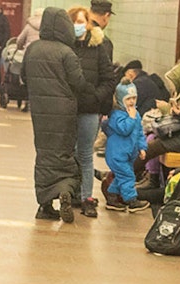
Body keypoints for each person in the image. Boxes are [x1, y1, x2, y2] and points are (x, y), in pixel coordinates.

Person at [22, 7, 90, 222]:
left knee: (44, 153)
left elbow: (22, 76)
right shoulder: (66, 53)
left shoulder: (33, 49)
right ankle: (65, 190)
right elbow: (78, 82)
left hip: (40, 111)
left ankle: (44, 205)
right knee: (64, 153)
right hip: (64, 112)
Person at [66, 6, 115, 218]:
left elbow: (109, 79)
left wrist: (96, 97)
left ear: (88, 23)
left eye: (82, 22)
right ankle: (71, 193)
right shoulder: (65, 48)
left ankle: (86, 197)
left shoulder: (98, 48)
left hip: (89, 110)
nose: (79, 26)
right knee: (68, 154)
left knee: (85, 154)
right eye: (75, 22)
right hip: (67, 110)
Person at [101, 83, 147, 211]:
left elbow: (139, 132)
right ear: (121, 99)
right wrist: (131, 118)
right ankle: (131, 200)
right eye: (128, 98)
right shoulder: (116, 115)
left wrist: (142, 147)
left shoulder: (135, 114)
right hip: (117, 154)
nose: (132, 101)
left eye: (134, 98)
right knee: (128, 176)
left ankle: (112, 197)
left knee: (121, 176)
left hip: (128, 154)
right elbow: (124, 129)